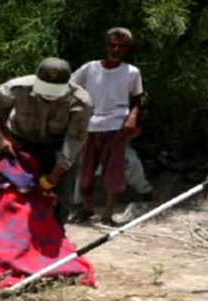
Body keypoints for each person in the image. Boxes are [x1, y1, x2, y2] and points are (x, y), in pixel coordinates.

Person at [0, 57, 93, 228]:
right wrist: (2, 138)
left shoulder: (80, 102)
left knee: (60, 200)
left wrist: (54, 175)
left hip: (58, 147)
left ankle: (55, 237)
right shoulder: (16, 88)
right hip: (21, 144)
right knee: (8, 194)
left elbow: (73, 141)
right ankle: (4, 236)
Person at [69, 27, 144, 226]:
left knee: (114, 173)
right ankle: (87, 208)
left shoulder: (131, 72)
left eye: (121, 46)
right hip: (90, 126)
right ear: (106, 45)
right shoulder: (90, 68)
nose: (116, 49)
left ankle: (108, 214)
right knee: (85, 174)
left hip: (115, 126)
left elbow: (137, 98)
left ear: (127, 49)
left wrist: (132, 117)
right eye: (112, 44)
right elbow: (71, 87)